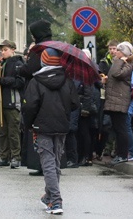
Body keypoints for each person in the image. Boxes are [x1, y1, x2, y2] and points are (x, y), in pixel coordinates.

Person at [22, 48, 79, 215]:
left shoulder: (36, 81)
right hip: (61, 125)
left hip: (42, 125)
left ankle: (55, 200)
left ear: (44, 61)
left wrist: (29, 124)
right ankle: (48, 197)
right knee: (54, 162)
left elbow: (29, 106)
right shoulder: (67, 80)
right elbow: (75, 104)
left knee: (47, 163)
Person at [18, 19, 52, 176]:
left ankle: (40, 163)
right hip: (53, 93)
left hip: (37, 91)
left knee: (37, 128)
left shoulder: (39, 49)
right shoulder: (54, 47)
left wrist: (21, 68)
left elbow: (31, 69)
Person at [0, 40, 25, 169]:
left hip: (12, 102)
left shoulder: (18, 63)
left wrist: (4, 80)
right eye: (2, 50)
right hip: (0, 102)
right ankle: (4, 156)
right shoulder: (1, 63)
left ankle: (16, 157)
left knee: (13, 131)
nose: (3, 52)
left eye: (5, 49)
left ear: (12, 49)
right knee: (2, 131)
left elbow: (20, 82)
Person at [102, 41, 133, 165]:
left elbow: (116, 74)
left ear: (123, 53)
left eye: (118, 50)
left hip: (120, 100)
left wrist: (120, 60)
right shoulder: (121, 62)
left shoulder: (127, 64)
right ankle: (119, 153)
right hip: (114, 100)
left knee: (121, 129)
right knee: (117, 128)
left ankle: (123, 155)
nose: (115, 52)